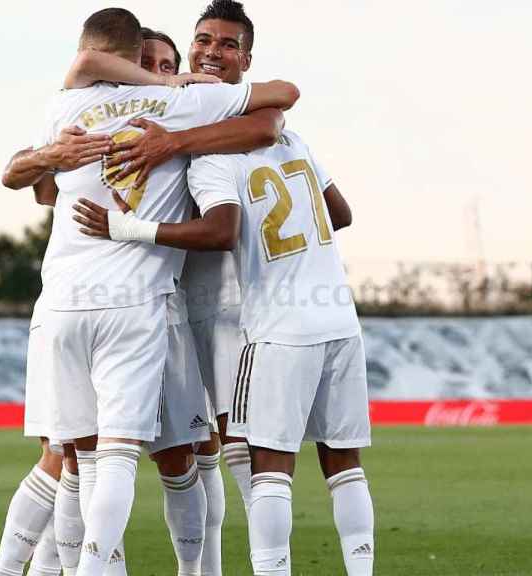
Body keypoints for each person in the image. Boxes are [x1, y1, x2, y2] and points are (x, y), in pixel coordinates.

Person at [72, 5, 376, 574]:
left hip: (248, 314)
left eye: (226, 45)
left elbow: (264, 129)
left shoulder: (210, 144)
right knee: (214, 457)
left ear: (247, 60)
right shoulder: (257, 130)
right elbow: (336, 210)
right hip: (259, 308)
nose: (210, 52)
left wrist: (170, 153)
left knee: (251, 460)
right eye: (202, 41)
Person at [7, 8, 299, 576]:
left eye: (172, 63)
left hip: (131, 308)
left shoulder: (70, 106)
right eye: (153, 63)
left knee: (169, 458)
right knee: (84, 459)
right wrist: (171, 92)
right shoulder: (182, 102)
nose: (169, 69)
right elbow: (279, 103)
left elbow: (38, 180)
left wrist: (166, 138)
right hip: (138, 306)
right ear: (133, 64)